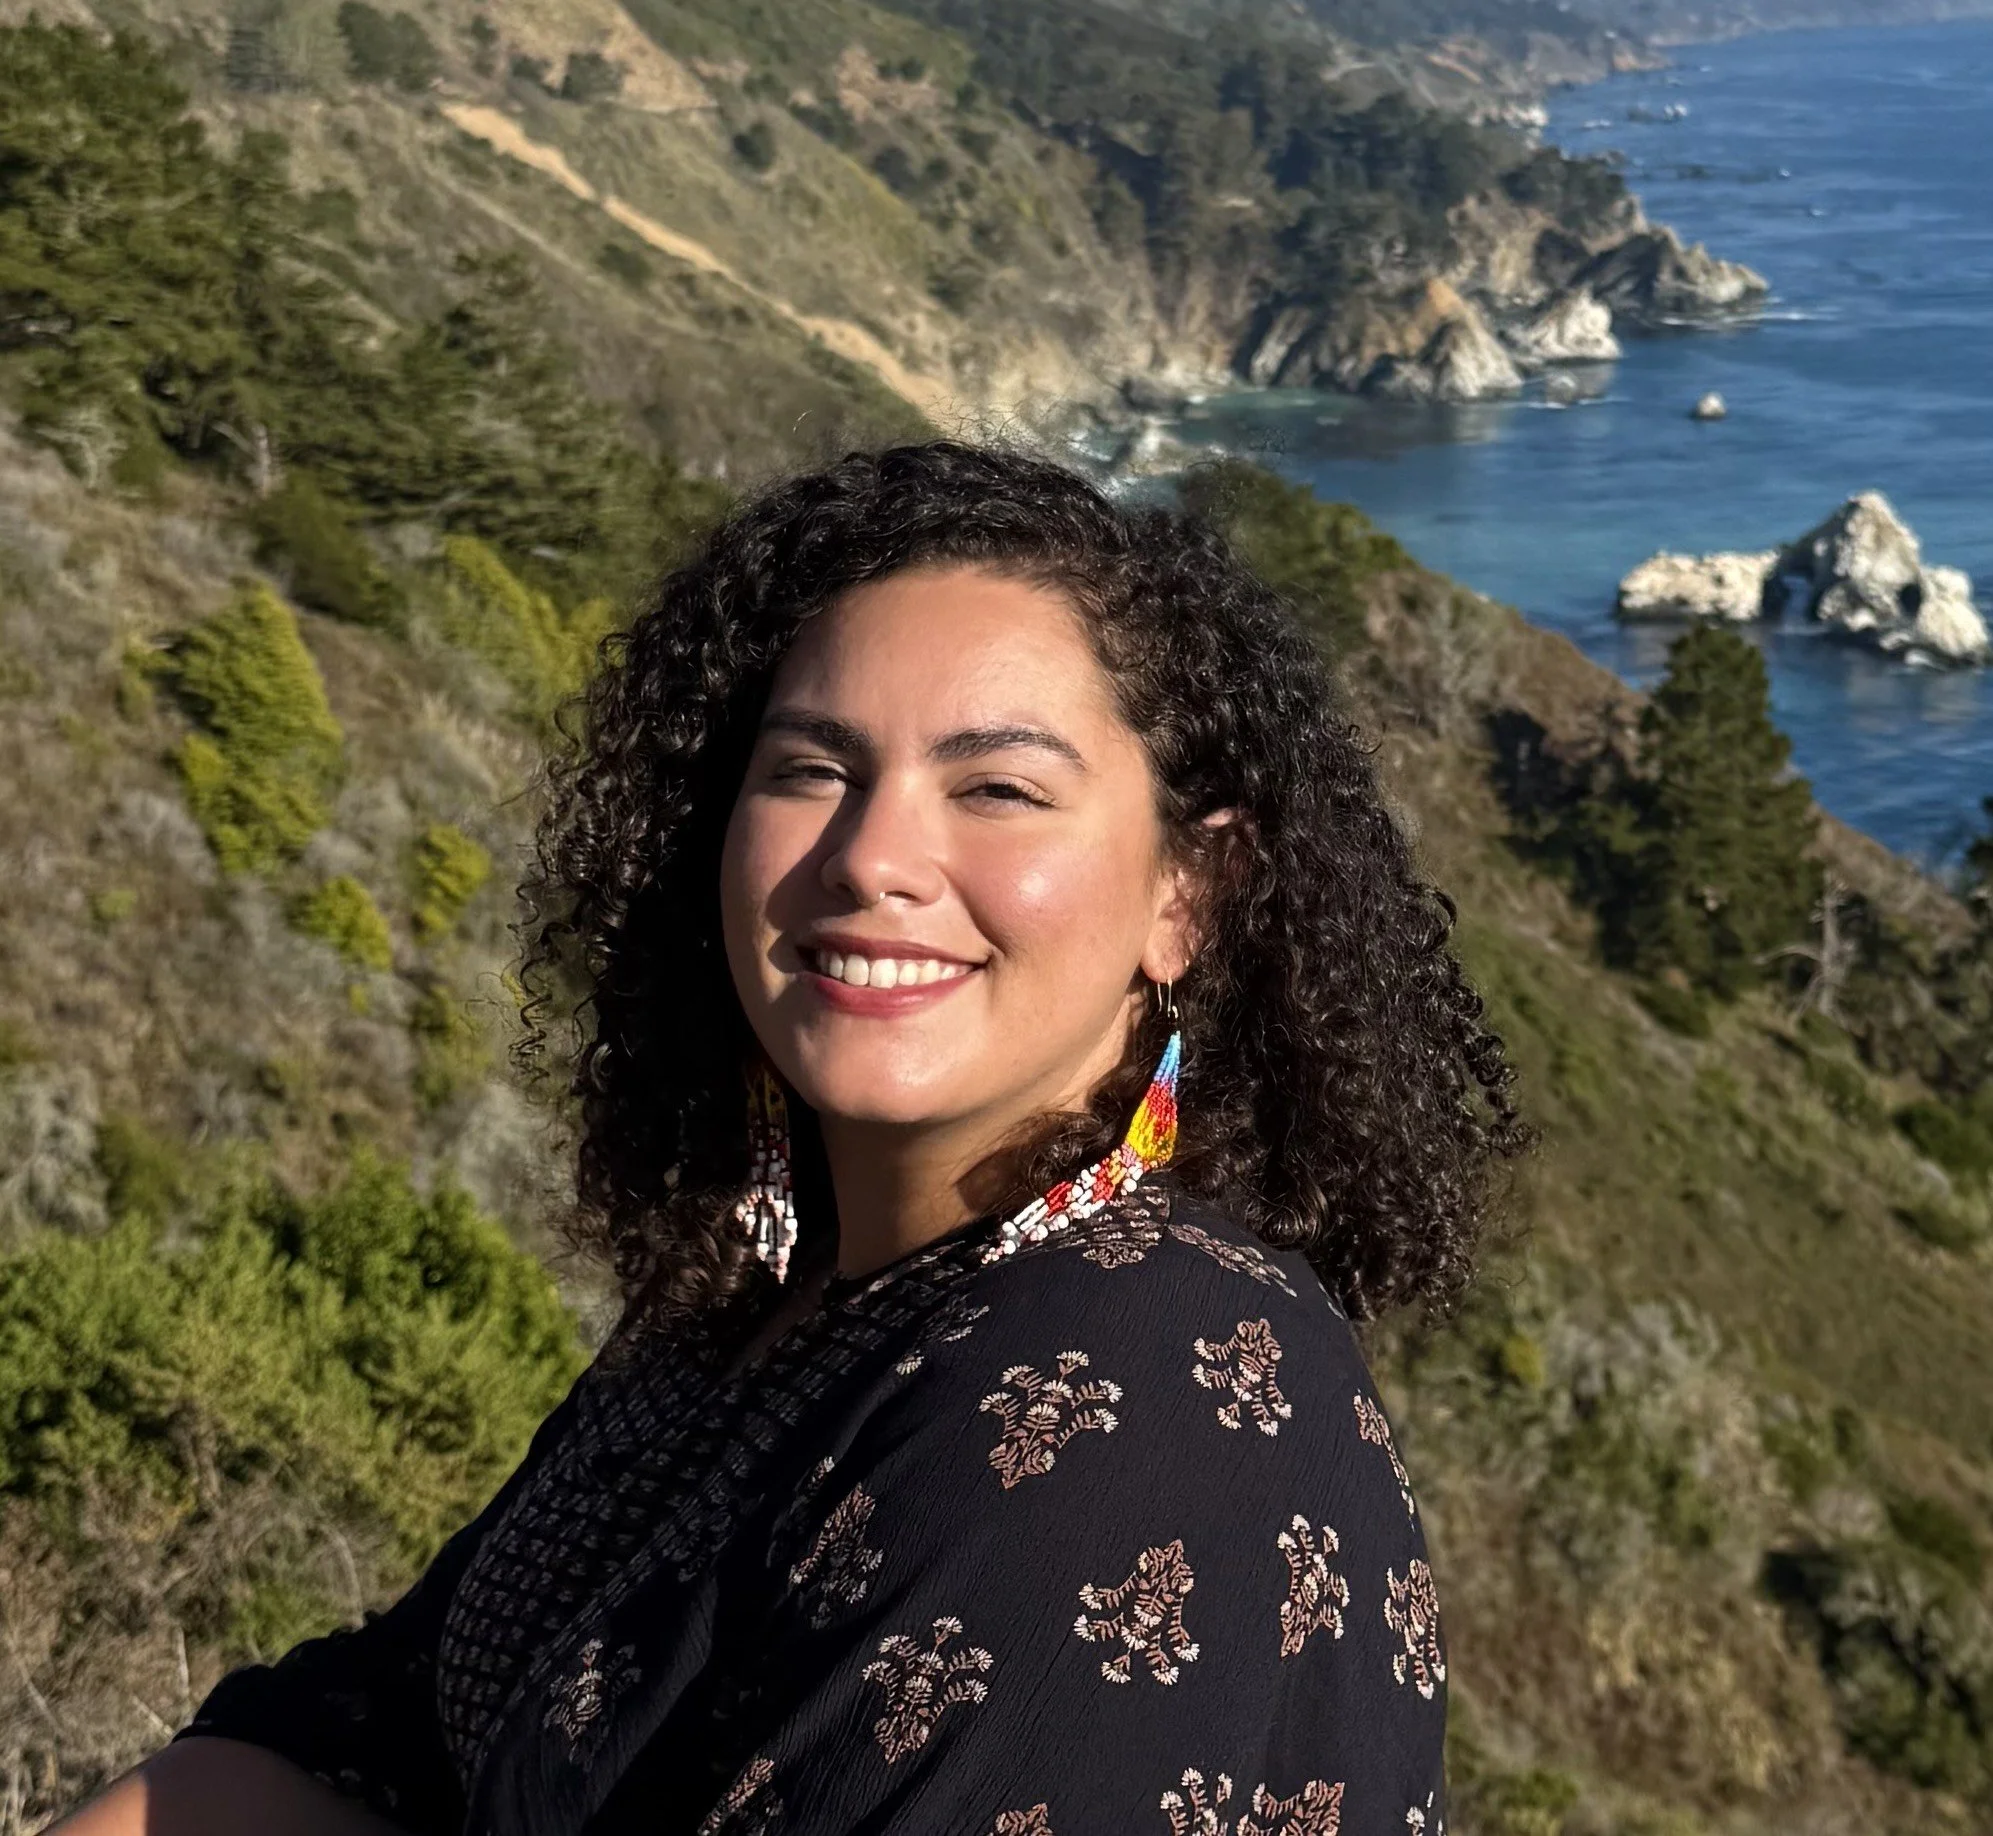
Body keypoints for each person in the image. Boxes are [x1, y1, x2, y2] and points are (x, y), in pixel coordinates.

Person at [55, 441, 1523, 1836]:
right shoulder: (760, 1311)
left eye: (998, 789)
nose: (874, 857)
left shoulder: (1135, 1395)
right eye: (811, 769)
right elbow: (376, 1741)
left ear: (1187, 896)